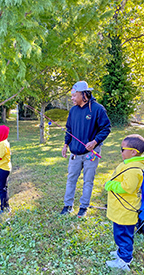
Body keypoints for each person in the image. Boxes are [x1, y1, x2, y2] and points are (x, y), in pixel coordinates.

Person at [60, 81, 111, 217]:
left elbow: (106, 128)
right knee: (71, 179)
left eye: (74, 95)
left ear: (84, 95)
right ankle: (68, 205)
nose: (72, 98)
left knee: (88, 181)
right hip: (75, 153)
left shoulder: (97, 109)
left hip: (91, 153)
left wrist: (95, 142)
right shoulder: (73, 110)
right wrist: (65, 145)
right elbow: (69, 129)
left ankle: (83, 207)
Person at [105, 134, 144, 271]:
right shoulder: (131, 164)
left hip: (125, 211)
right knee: (119, 234)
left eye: (122, 149)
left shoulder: (134, 169)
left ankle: (124, 260)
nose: (121, 151)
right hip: (121, 210)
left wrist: (110, 185)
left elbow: (127, 187)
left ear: (133, 152)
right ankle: (120, 253)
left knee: (124, 235)